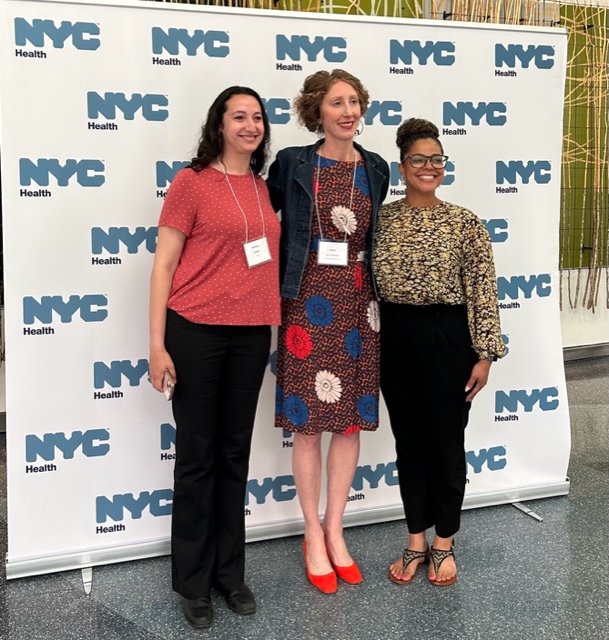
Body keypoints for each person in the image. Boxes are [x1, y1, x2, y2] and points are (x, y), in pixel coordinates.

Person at [148, 86, 280, 628]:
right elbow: (163, 265)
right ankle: (193, 583)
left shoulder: (263, 187)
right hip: (196, 332)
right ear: (219, 125)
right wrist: (156, 345)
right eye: (239, 116)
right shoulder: (192, 182)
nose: (250, 125)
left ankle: (230, 575)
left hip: (251, 336)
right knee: (197, 459)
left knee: (233, 456)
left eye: (257, 117)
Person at [267, 69, 389, 594]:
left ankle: (336, 530)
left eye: (354, 102)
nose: (348, 111)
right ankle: (311, 534)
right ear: (317, 110)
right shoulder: (293, 162)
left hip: (360, 302)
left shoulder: (376, 167)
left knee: (349, 424)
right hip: (306, 297)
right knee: (309, 424)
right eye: (337, 102)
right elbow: (265, 220)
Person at [373, 117, 506, 587]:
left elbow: (483, 291)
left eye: (436, 159)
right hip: (394, 336)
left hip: (448, 336)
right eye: (418, 159)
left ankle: (444, 542)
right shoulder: (381, 220)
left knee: (447, 444)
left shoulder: (465, 223)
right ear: (402, 166)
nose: (428, 167)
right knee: (409, 443)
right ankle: (416, 540)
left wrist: (485, 354)